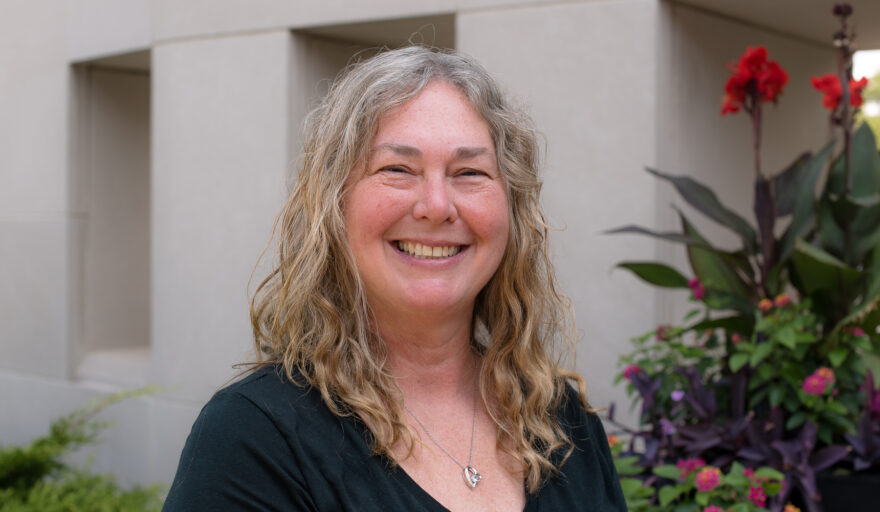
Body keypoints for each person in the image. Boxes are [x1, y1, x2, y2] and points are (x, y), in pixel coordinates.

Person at [162, 46, 626, 512]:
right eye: (398, 170)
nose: (437, 205)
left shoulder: (561, 418)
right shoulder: (254, 438)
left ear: (511, 210)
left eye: (469, 172)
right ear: (334, 206)